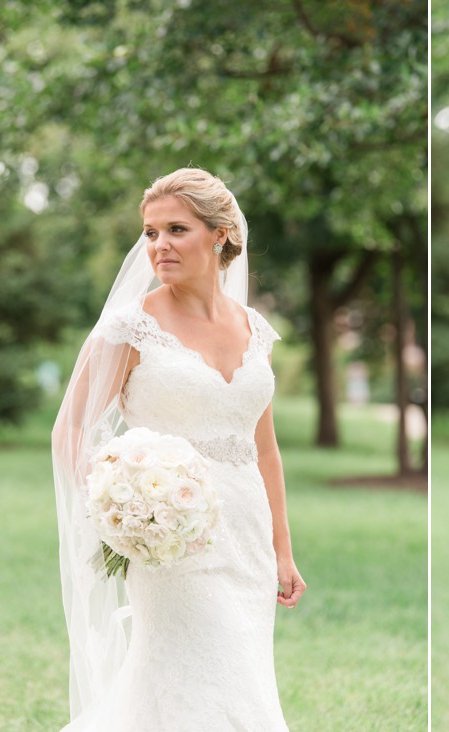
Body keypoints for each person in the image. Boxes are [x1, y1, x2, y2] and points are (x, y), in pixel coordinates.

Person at [51, 167, 305, 731]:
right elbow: (69, 430)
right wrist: (119, 511)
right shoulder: (129, 329)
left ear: (219, 235)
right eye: (149, 233)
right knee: (196, 675)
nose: (158, 246)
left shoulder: (255, 329)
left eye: (176, 229)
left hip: (247, 538)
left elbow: (264, 450)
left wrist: (282, 551)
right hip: (169, 535)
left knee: (242, 672)